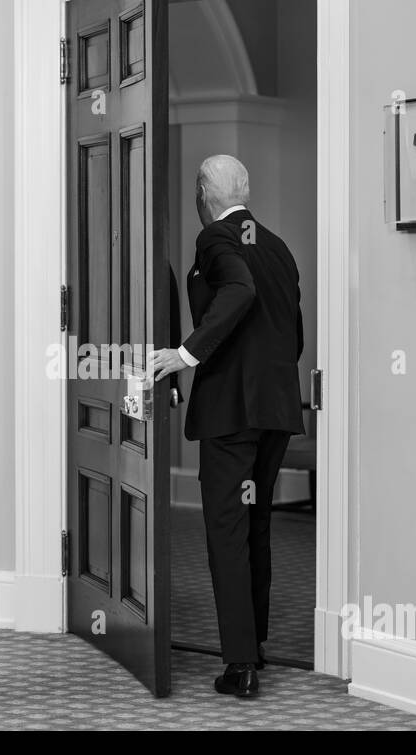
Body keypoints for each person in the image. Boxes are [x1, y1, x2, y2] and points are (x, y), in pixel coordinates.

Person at [149, 155, 304, 698]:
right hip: (275, 412)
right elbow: (293, 334)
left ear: (203, 193)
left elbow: (239, 293)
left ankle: (240, 666)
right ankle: (254, 643)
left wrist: (186, 356)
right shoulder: (278, 247)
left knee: (227, 534)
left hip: (233, 415)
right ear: (243, 189)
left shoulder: (216, 238)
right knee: (254, 525)